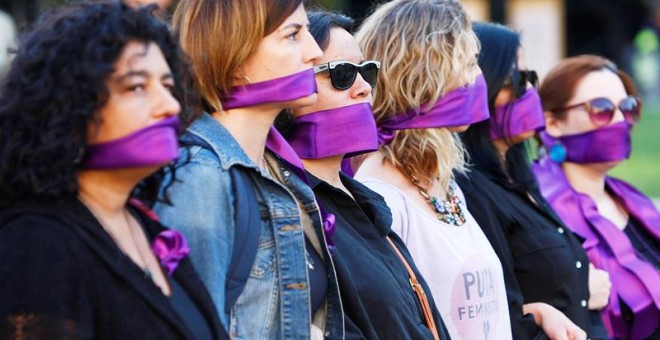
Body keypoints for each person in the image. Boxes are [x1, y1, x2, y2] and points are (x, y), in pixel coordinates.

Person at [0, 2, 222, 339]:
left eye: (167, 85)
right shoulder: (37, 243)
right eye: (136, 87)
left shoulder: (143, 224)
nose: (170, 105)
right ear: (69, 106)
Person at [154, 0, 343, 338]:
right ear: (235, 55)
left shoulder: (277, 169)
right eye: (293, 35)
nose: (315, 52)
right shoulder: (201, 179)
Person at [278, 10, 449, 339]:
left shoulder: (366, 201)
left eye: (366, 72)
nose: (363, 88)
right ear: (290, 89)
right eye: (341, 74)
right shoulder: (285, 209)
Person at [353, 1, 512, 338]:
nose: (480, 77)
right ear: (426, 76)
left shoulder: (444, 183)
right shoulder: (383, 197)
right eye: (469, 64)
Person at [456, 22, 611, 340]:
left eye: (530, 78)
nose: (529, 92)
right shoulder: (470, 191)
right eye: (516, 80)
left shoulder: (518, 177)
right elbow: (501, 315)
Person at [532, 54, 659, 340]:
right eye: (600, 108)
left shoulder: (630, 199)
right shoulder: (538, 211)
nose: (619, 121)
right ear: (552, 123)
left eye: (627, 108)